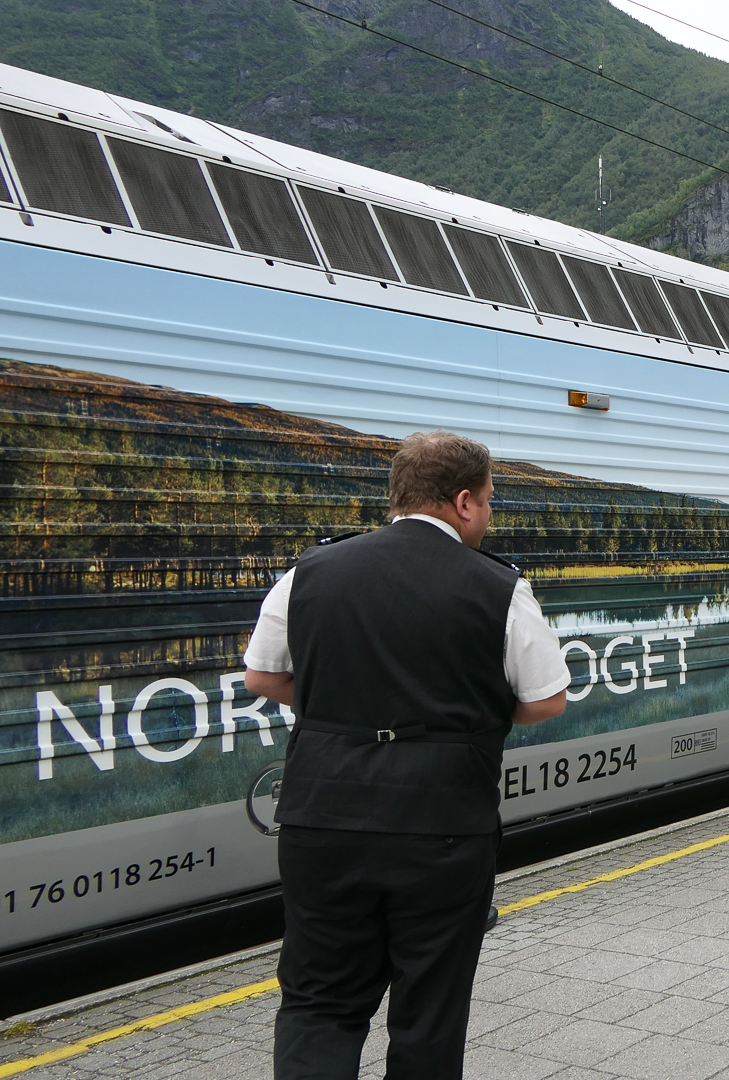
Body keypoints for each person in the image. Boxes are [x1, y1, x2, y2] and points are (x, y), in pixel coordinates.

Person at [242, 431, 570, 1080]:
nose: (489, 513)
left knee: (318, 1002)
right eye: (489, 500)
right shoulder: (498, 587)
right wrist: (467, 717)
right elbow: (547, 699)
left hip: (321, 818)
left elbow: (262, 675)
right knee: (428, 1013)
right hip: (442, 826)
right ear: (464, 502)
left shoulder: (310, 572)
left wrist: (341, 708)